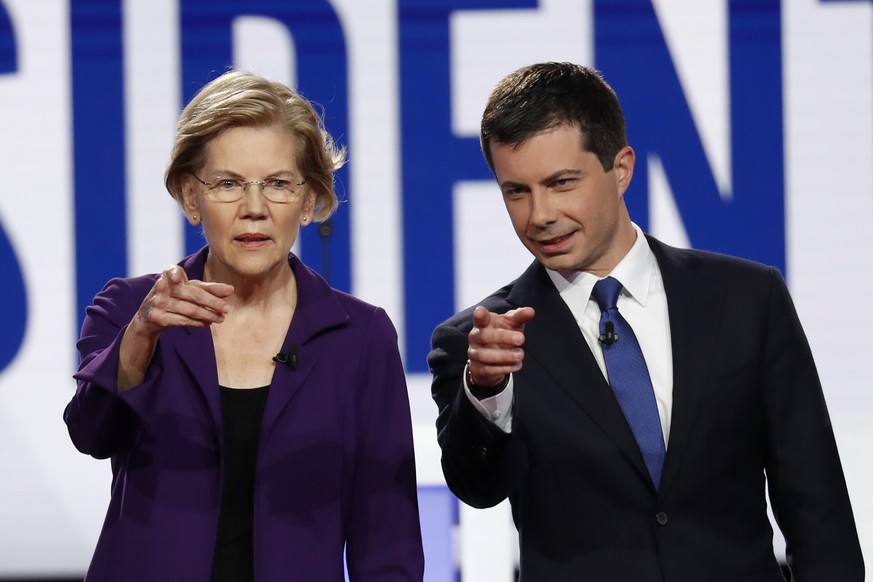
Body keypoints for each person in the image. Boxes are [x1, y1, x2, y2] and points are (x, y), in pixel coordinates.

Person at [427, 62, 864, 581]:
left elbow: (818, 509)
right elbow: (478, 487)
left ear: (621, 169)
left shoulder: (747, 301)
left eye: (562, 183)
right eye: (516, 191)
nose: (539, 214)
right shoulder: (481, 343)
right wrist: (487, 391)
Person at [65, 70, 424, 582]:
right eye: (228, 184)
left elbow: (386, 536)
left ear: (308, 202)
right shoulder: (130, 309)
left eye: (277, 184)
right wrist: (139, 339)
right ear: (192, 199)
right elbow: (90, 433)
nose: (254, 209)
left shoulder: (361, 338)